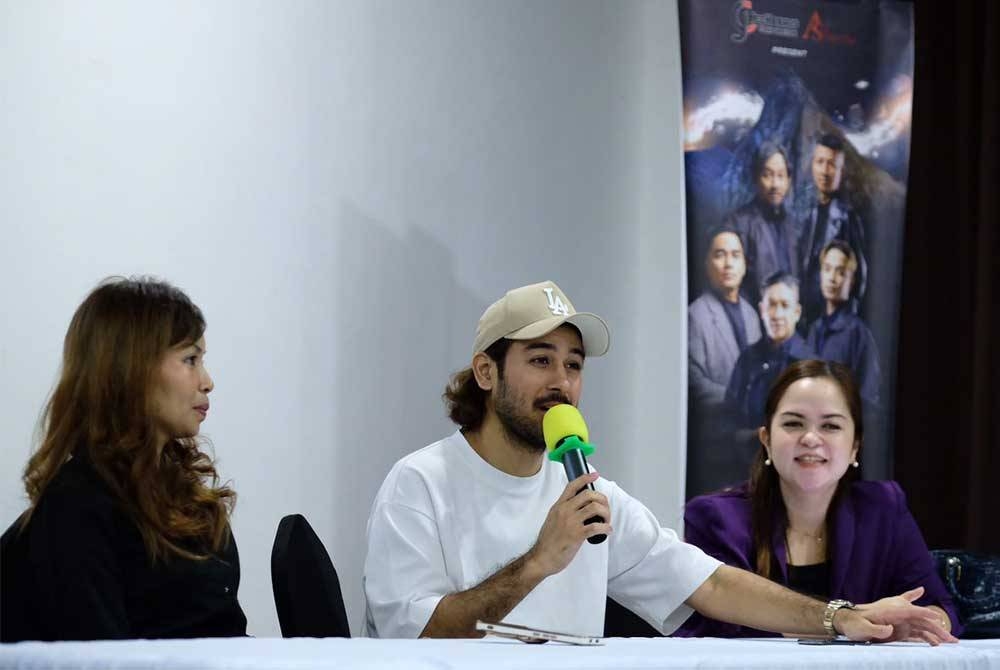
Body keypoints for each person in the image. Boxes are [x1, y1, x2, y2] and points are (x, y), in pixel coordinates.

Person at [362, 280, 954, 643]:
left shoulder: (589, 492)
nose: (562, 382)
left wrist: (838, 618)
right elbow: (413, 634)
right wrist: (540, 561)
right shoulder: (419, 483)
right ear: (487, 373)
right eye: (540, 360)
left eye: (573, 365)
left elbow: (710, 582)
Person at [0, 277, 246, 642]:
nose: (207, 381)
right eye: (190, 359)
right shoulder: (77, 508)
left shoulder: (185, 497)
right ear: (133, 370)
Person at [679, 359, 961, 639]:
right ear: (766, 439)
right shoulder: (714, 518)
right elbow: (722, 627)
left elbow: (940, 609)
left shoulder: (884, 508)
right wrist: (854, 618)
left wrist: (918, 622)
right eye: (793, 423)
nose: (811, 438)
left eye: (830, 426)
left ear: (854, 447)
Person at [688, 227, 762, 495]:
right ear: (708, 264)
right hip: (717, 443)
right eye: (720, 255)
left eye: (735, 255)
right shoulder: (696, 315)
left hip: (751, 441)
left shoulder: (752, 314)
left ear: (744, 265)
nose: (728, 262)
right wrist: (737, 397)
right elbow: (693, 382)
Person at [726, 272, 816, 435]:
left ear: (797, 312)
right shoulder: (747, 359)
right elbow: (729, 418)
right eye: (771, 305)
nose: (777, 314)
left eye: (784, 305)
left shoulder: (812, 367)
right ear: (762, 310)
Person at [798, 134, 868, 326]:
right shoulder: (803, 211)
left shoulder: (849, 218)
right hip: (802, 316)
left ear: (840, 171)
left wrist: (845, 319)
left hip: (832, 317)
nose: (825, 171)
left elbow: (860, 275)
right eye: (820, 162)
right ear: (812, 164)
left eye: (832, 164)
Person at [723, 141, 798, 307]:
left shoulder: (792, 225)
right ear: (756, 178)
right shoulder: (737, 223)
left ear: (789, 180)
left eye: (781, 175)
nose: (775, 184)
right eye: (767, 175)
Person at [806, 240, 881, 407]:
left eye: (840, 272)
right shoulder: (815, 329)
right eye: (827, 269)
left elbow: (869, 396)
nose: (832, 278)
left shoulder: (858, 333)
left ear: (852, 280)